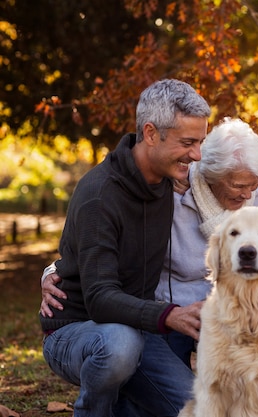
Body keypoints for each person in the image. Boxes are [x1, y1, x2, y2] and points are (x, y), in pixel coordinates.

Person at [41, 117, 258, 368]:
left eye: (253, 185)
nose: (247, 195)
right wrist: (55, 270)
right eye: (238, 185)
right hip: (172, 313)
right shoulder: (169, 192)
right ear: (213, 176)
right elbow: (113, 243)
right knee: (179, 401)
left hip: (237, 312)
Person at [38, 79, 212, 417]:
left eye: (201, 142)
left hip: (139, 331)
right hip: (77, 332)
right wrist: (170, 315)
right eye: (188, 142)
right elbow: (100, 299)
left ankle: (126, 402)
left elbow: (241, 179)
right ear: (150, 134)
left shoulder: (172, 175)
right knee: (119, 346)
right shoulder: (99, 196)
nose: (197, 155)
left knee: (204, 412)